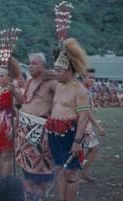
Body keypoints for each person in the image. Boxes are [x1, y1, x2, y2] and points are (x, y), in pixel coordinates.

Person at [45, 38, 90, 201]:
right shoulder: (58, 86)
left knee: (71, 172)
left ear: (68, 70)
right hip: (54, 134)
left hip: (70, 135)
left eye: (58, 70)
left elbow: (84, 118)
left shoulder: (80, 91)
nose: (55, 72)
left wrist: (77, 141)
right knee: (58, 169)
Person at [14, 53, 57, 201]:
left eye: (34, 63)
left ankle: (39, 197)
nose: (30, 65)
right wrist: (12, 89)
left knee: (42, 173)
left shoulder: (52, 82)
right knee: (27, 171)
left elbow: (66, 94)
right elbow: (24, 102)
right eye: (29, 63)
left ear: (43, 66)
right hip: (24, 131)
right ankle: (29, 196)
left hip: (41, 132)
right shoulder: (30, 82)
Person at [79, 68, 105, 182]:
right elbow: (86, 111)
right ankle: (82, 172)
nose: (93, 80)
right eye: (90, 77)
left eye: (94, 78)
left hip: (85, 123)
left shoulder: (86, 90)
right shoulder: (82, 91)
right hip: (83, 124)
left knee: (86, 149)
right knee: (93, 148)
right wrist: (98, 126)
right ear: (83, 78)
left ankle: (81, 172)